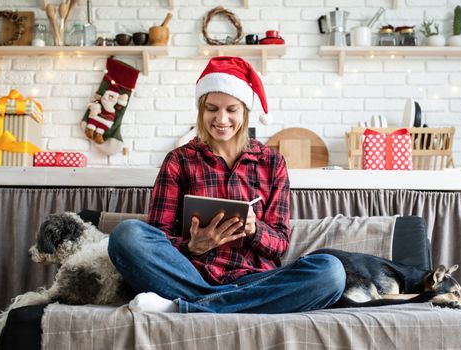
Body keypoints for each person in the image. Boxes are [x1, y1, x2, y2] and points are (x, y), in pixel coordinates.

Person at [108, 56, 345, 313]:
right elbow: (157, 236)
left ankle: (188, 306)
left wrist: (255, 230)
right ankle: (220, 303)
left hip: (254, 280)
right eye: (212, 108)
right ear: (201, 109)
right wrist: (191, 246)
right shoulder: (179, 160)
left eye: (231, 109)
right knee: (127, 235)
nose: (221, 119)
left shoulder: (272, 162)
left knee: (330, 272)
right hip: (191, 276)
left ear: (244, 111)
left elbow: (280, 243)